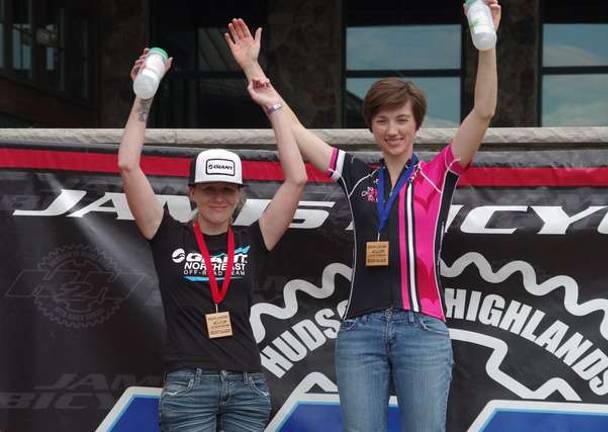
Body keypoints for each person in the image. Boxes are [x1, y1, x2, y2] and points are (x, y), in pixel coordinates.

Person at [226, 1, 500, 430]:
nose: (393, 130)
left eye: (402, 120)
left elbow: (482, 112)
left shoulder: (437, 173)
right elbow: (295, 132)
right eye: (383, 121)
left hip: (422, 330)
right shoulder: (355, 174)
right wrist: (251, 68)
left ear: (417, 124)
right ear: (372, 126)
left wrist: (487, 45)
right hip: (360, 333)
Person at [118, 48, 307, 431]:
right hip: (189, 386)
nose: (218, 198)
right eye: (208, 189)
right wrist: (145, 93)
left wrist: (273, 106)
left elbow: (297, 178)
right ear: (191, 192)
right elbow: (127, 164)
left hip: (247, 384)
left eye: (227, 189)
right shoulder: (166, 232)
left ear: (239, 195)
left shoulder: (254, 238)